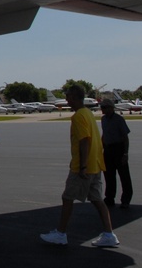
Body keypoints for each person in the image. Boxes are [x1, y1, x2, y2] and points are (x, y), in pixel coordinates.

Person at [40, 84, 119, 248]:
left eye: (68, 97)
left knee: (67, 197)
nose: (67, 100)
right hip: (96, 164)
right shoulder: (88, 113)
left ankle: (61, 234)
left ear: (75, 98)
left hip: (83, 166)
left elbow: (84, 141)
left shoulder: (78, 117)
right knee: (98, 200)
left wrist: (82, 166)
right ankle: (109, 233)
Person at [100, 98, 133, 208]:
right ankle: (109, 197)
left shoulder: (119, 119)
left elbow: (125, 137)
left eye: (104, 107)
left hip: (118, 148)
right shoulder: (103, 119)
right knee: (109, 176)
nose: (102, 109)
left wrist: (125, 153)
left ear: (110, 108)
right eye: (101, 107)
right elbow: (104, 135)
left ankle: (126, 199)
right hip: (108, 149)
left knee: (124, 176)